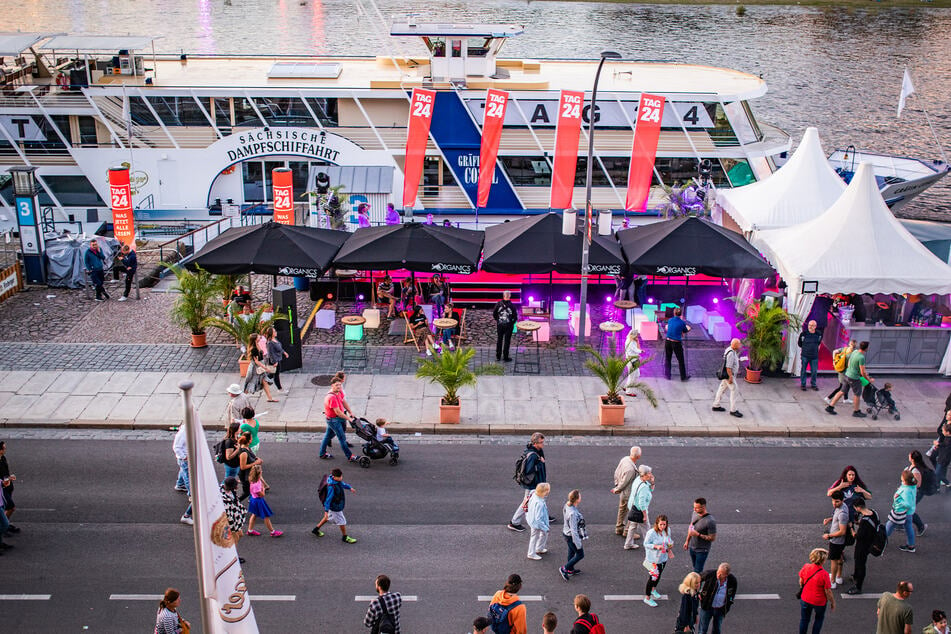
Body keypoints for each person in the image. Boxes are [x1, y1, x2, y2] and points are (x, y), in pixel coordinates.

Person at [508, 432, 548, 532]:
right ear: (535, 443)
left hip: (537, 483)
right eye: (541, 442)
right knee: (526, 503)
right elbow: (529, 470)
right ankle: (514, 522)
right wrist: (540, 462)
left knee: (540, 499)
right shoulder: (533, 455)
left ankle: (544, 515)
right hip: (533, 484)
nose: (543, 444)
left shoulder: (535, 450)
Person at [827, 340, 872, 417]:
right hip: (854, 378)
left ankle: (830, 406)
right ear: (866, 348)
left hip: (847, 375)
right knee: (857, 394)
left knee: (842, 391)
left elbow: (849, 363)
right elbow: (862, 372)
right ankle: (856, 411)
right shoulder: (861, 357)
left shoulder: (855, 352)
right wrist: (869, 379)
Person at [313, 468, 358, 543]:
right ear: (334, 477)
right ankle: (345, 537)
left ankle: (315, 529)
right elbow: (328, 499)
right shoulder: (331, 487)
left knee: (327, 518)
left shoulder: (336, 481)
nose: (341, 478)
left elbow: (343, 484)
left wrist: (350, 488)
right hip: (334, 507)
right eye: (339, 477)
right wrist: (326, 510)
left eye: (341, 476)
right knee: (342, 521)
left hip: (334, 505)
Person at [845, 496, 879, 595]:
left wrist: (851, 528)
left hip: (863, 545)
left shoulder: (864, 522)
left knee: (860, 564)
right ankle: (855, 576)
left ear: (858, 507)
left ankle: (858, 586)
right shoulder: (873, 512)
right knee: (859, 562)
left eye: (855, 508)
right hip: (871, 541)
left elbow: (857, 536)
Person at [319, 379, 358, 462]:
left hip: (339, 418)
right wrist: (349, 419)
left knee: (328, 436)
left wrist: (350, 412)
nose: (339, 386)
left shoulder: (339, 392)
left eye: (340, 385)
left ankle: (322, 453)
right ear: (332, 385)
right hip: (334, 420)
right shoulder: (331, 397)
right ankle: (350, 456)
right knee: (342, 438)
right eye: (337, 385)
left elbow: (344, 402)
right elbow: (338, 412)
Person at [798, 548, 835, 634]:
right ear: (823, 561)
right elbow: (828, 592)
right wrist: (832, 602)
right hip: (819, 602)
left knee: (804, 620)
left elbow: (801, 581)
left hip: (805, 599)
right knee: (819, 619)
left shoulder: (806, 567)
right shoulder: (824, 574)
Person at [643, 514, 675, 607]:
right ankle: (647, 598)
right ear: (657, 524)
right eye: (661, 524)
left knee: (659, 575)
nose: (662, 527)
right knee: (653, 577)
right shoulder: (651, 533)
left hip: (663, 558)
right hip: (652, 560)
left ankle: (653, 590)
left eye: (664, 524)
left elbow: (669, 540)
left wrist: (670, 545)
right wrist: (656, 546)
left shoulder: (667, 530)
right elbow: (645, 544)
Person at [697, 563, 737, 634]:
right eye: (718, 572)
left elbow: (732, 595)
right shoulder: (710, 574)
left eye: (721, 574)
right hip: (707, 607)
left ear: (726, 575)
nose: (718, 575)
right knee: (702, 630)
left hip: (720, 609)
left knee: (717, 630)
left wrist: (729, 604)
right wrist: (698, 593)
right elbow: (697, 578)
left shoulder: (732, 581)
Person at [611, 445, 642, 537]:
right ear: (638, 456)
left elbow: (617, 472)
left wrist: (616, 484)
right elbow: (625, 482)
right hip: (628, 493)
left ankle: (619, 528)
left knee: (622, 509)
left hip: (623, 493)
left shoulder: (624, 459)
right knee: (633, 511)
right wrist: (617, 489)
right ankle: (628, 532)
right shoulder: (631, 470)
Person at [245, 464, 282, 537]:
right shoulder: (257, 485)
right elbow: (262, 494)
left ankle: (250, 530)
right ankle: (272, 532)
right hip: (258, 501)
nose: (262, 471)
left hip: (253, 499)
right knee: (266, 516)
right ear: (258, 473)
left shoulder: (251, 479)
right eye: (261, 471)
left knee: (254, 514)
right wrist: (263, 488)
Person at [885, 470, 917, 553]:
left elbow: (908, 504)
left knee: (890, 524)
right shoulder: (912, 486)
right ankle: (911, 545)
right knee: (909, 528)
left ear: (905, 480)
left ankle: (882, 540)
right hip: (909, 513)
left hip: (902, 512)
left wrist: (898, 501)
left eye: (902, 479)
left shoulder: (906, 490)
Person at [822, 490, 849, 589]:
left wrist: (829, 536)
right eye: (833, 501)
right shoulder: (842, 507)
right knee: (839, 557)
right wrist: (830, 519)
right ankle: (839, 576)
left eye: (837, 501)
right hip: (839, 541)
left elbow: (842, 531)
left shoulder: (842, 514)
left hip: (836, 541)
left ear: (842, 500)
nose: (834, 503)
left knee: (834, 560)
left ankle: (832, 581)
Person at [623, 465, 654, 550]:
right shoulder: (643, 487)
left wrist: (652, 482)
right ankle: (650, 546)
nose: (651, 474)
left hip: (633, 507)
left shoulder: (638, 480)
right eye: (649, 473)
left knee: (632, 526)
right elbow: (642, 503)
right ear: (644, 474)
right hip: (639, 510)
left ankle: (628, 544)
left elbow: (650, 489)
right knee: (646, 529)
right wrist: (644, 515)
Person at [560, 489, 587, 582]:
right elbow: (574, 530)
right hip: (571, 536)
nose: (581, 497)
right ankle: (564, 568)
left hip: (566, 533)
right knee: (580, 554)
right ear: (577, 499)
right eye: (579, 496)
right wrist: (578, 543)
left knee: (571, 552)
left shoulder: (567, 505)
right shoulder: (573, 513)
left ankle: (570, 569)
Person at [711, 338, 743, 418]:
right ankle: (733, 410)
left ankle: (716, 405)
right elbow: (728, 367)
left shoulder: (730, 349)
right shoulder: (731, 354)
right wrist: (731, 378)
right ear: (735, 345)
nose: (740, 345)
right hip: (729, 376)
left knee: (721, 389)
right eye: (739, 344)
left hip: (727, 376)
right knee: (734, 391)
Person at [684, 497, 717, 574]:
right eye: (694, 507)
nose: (694, 510)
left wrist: (698, 534)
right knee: (695, 567)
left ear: (703, 507)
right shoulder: (695, 513)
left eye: (697, 508)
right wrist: (687, 541)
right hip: (693, 547)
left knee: (697, 571)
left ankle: (697, 585)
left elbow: (712, 538)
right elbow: (691, 527)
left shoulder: (710, 521)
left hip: (702, 550)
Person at [907, 450, 935, 536]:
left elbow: (918, 484)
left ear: (912, 459)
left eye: (909, 455)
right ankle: (900, 524)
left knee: (908, 510)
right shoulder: (914, 467)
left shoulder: (916, 470)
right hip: (913, 492)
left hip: (916, 493)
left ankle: (921, 526)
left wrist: (907, 485)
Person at [243, 333, 278, 402]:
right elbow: (256, 361)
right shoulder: (254, 349)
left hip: (260, 366)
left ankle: (270, 398)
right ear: (256, 339)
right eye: (258, 337)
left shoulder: (257, 345)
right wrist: (265, 368)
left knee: (264, 381)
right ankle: (242, 396)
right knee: (251, 381)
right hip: (256, 368)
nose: (260, 337)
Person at [220, 477, 246, 561]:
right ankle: (232, 557)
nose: (237, 487)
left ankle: (229, 554)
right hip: (229, 524)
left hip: (234, 521)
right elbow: (228, 514)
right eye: (236, 485)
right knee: (234, 538)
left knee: (240, 535)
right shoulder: (223, 499)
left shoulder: (230, 491)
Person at [825, 339, 856, 405]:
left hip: (843, 370)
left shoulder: (844, 349)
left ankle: (846, 399)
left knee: (846, 385)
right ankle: (828, 398)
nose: (852, 347)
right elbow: (849, 364)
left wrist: (834, 361)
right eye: (853, 345)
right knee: (841, 387)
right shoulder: (851, 353)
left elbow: (834, 351)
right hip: (844, 371)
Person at [172, 426, 193, 526]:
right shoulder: (183, 433)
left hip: (186, 457)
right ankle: (191, 494)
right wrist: (184, 457)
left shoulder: (187, 430)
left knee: (183, 471)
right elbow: (176, 447)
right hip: (185, 458)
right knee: (188, 476)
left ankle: (179, 484)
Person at [664, 306, 691, 381]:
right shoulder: (682, 322)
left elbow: (669, 328)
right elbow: (685, 330)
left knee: (668, 358)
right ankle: (683, 377)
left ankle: (667, 375)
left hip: (668, 341)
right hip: (676, 343)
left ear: (674, 313)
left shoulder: (670, 320)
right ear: (681, 314)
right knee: (681, 360)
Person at [526, 482, 551, 560]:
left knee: (542, 534)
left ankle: (539, 548)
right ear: (544, 492)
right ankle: (531, 553)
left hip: (531, 519)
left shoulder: (534, 494)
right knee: (535, 536)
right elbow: (538, 518)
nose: (549, 491)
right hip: (536, 523)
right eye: (547, 490)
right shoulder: (539, 503)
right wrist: (545, 527)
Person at [236, 432, 262, 502]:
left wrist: (257, 459)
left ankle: (252, 501)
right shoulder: (244, 453)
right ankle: (235, 502)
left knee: (251, 490)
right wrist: (255, 463)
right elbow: (242, 467)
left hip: (250, 474)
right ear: (249, 440)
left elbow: (252, 456)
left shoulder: (247, 448)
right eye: (251, 438)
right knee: (246, 492)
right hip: (245, 476)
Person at [493, 290, 518, 362]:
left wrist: (498, 320)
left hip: (500, 325)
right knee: (507, 341)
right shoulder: (512, 306)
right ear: (510, 296)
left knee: (499, 340)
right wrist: (511, 323)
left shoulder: (498, 304)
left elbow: (494, 314)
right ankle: (505, 357)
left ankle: (498, 356)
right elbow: (515, 317)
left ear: (503, 296)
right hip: (509, 326)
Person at [798, 320, 822, 391]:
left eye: (812, 325)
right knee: (803, 370)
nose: (810, 327)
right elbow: (800, 344)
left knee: (814, 371)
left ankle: (813, 384)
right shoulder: (803, 334)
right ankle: (803, 384)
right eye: (809, 325)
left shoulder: (818, 334)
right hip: (805, 355)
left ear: (815, 326)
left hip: (814, 356)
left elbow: (819, 343)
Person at [0, 440, 18, 535]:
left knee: (6, 508)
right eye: (4, 448)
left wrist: (9, 477)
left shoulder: (3, 458)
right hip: (2, 488)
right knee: (11, 507)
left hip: (7, 485)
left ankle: (5, 524)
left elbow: (5, 472)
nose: (5, 450)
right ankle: (4, 525)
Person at [266, 327, 289, 392]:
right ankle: (280, 388)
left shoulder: (275, 339)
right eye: (274, 331)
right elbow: (271, 353)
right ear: (271, 333)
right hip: (274, 361)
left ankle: (264, 381)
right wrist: (274, 362)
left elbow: (279, 348)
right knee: (276, 375)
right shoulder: (270, 343)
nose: (276, 332)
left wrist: (284, 352)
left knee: (272, 374)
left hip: (278, 359)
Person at [930, 421, 951, 487]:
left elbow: (945, 445)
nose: (942, 432)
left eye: (943, 431)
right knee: (939, 472)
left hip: (944, 459)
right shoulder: (947, 438)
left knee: (937, 473)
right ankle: (940, 484)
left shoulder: (949, 440)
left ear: (948, 432)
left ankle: (945, 482)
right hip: (943, 458)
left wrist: (938, 444)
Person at [623, 328, 642, 396]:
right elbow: (637, 350)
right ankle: (628, 391)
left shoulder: (633, 340)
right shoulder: (629, 342)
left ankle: (626, 387)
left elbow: (638, 348)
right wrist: (642, 351)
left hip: (635, 360)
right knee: (632, 376)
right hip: (631, 361)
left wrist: (637, 342)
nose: (637, 337)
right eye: (636, 336)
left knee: (636, 375)